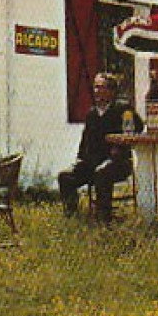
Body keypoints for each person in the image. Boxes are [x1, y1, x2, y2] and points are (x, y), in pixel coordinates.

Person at [57, 73, 134, 222]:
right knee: (65, 176)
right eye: (95, 87)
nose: (97, 91)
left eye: (101, 87)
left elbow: (136, 128)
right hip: (92, 162)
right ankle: (72, 215)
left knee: (102, 173)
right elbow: (85, 140)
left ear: (111, 91)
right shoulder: (92, 113)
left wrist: (119, 145)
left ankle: (104, 217)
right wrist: (80, 159)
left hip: (118, 162)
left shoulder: (122, 109)